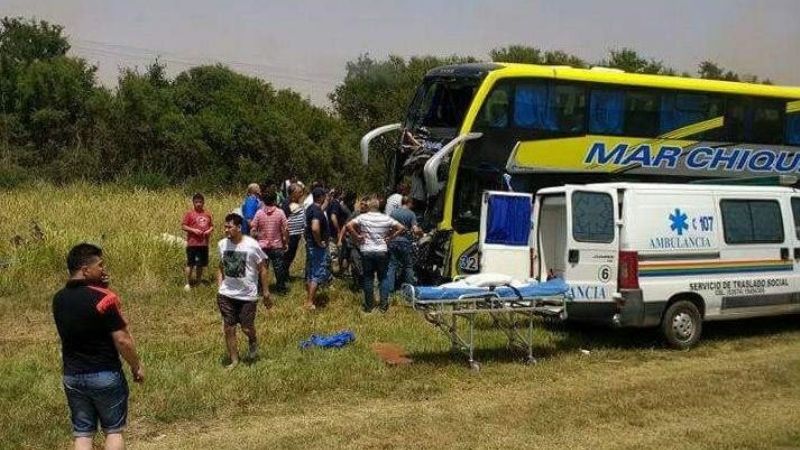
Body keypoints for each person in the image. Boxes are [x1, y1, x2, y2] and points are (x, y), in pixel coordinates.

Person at [53, 243, 144, 450]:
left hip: (73, 375)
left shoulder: (58, 299)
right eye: (100, 265)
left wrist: (101, 287)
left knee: (83, 435)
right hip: (105, 374)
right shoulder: (105, 298)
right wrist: (136, 366)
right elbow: (122, 339)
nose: (103, 269)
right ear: (85, 270)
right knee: (113, 431)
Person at [217, 213, 272, 369]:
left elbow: (263, 268)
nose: (226, 230)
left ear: (239, 227)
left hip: (247, 295)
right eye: (225, 226)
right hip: (226, 294)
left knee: (246, 327)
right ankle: (234, 360)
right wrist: (220, 287)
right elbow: (220, 267)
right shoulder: (222, 244)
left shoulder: (252, 245)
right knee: (229, 327)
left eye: (229, 227)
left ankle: (253, 340)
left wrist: (266, 292)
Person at [346, 196, 405, 313]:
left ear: (369, 207)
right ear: (378, 207)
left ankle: (369, 306)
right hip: (381, 250)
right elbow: (401, 227)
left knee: (368, 278)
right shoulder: (385, 218)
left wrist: (357, 237)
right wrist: (390, 237)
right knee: (383, 278)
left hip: (366, 250)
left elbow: (348, 226)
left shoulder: (363, 217)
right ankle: (383, 306)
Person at [251, 191, 289, 293]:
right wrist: (286, 242)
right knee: (279, 268)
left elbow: (253, 229)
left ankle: (260, 289)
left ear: (263, 200)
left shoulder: (259, 213)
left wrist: (258, 236)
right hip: (277, 245)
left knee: (262, 268)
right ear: (275, 200)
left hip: (262, 246)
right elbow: (285, 229)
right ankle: (281, 289)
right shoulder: (280, 212)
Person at [387, 196, 422, 292]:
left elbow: (388, 227)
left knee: (392, 265)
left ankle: (390, 289)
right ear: (409, 203)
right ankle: (410, 290)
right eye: (412, 203)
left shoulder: (393, 213)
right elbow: (415, 229)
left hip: (393, 241)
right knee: (408, 266)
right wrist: (420, 232)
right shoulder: (411, 214)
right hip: (406, 242)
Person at [304, 187, 331, 310]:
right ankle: (310, 302)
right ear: (320, 197)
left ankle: (309, 298)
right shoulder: (317, 211)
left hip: (310, 244)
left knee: (310, 272)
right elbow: (315, 228)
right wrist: (320, 242)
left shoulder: (311, 208)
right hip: (316, 247)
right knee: (317, 272)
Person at [181, 193, 214, 291]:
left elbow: (212, 226)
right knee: (190, 263)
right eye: (196, 202)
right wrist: (193, 230)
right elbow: (183, 226)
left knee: (200, 264)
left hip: (204, 243)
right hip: (192, 243)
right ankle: (187, 283)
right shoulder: (189, 214)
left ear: (203, 202)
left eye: (200, 202)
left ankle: (199, 281)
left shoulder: (207, 214)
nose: (198, 204)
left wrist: (209, 230)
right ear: (193, 203)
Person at [283, 183, 306, 273]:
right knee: (287, 255)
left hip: (296, 234)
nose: (301, 194)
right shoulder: (286, 203)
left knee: (291, 255)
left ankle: (286, 273)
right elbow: (284, 221)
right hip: (290, 235)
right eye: (299, 192)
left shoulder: (295, 202)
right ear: (293, 193)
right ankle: (283, 276)